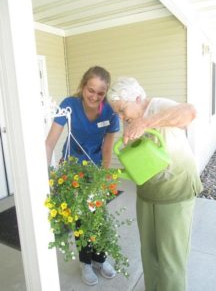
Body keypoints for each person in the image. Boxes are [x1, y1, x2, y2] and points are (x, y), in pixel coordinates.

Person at [107, 77, 203, 291]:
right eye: (118, 113)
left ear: (138, 98)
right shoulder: (130, 119)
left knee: (171, 260)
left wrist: (145, 122)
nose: (121, 117)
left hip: (176, 190)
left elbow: (190, 112)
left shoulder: (159, 105)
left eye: (122, 110)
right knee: (149, 255)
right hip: (148, 192)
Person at [45, 66, 120, 286]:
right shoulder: (69, 105)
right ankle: (85, 262)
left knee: (97, 215)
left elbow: (107, 148)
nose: (94, 96)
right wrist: (45, 176)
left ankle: (100, 258)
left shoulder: (110, 112)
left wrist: (105, 176)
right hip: (72, 169)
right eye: (91, 90)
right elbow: (49, 143)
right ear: (82, 86)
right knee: (79, 217)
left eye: (100, 93)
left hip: (95, 169)